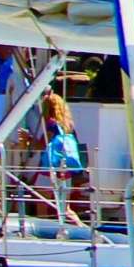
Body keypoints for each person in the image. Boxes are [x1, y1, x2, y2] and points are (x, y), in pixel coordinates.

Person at [38, 91, 87, 223]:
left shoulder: (50, 125)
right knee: (65, 207)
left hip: (50, 170)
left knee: (41, 204)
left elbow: (42, 144)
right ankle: (83, 228)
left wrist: (28, 141)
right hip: (66, 171)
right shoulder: (67, 125)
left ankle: (44, 230)